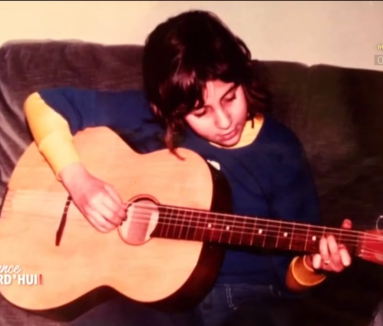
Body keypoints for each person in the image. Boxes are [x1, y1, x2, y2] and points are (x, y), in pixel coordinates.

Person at [24, 10, 352, 326]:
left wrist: (314, 265)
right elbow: (42, 103)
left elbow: (289, 278)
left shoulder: (280, 151)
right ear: (170, 112)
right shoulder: (158, 116)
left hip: (250, 301)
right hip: (160, 296)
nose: (224, 122)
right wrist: (79, 182)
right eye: (201, 112)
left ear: (242, 78)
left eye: (230, 97)